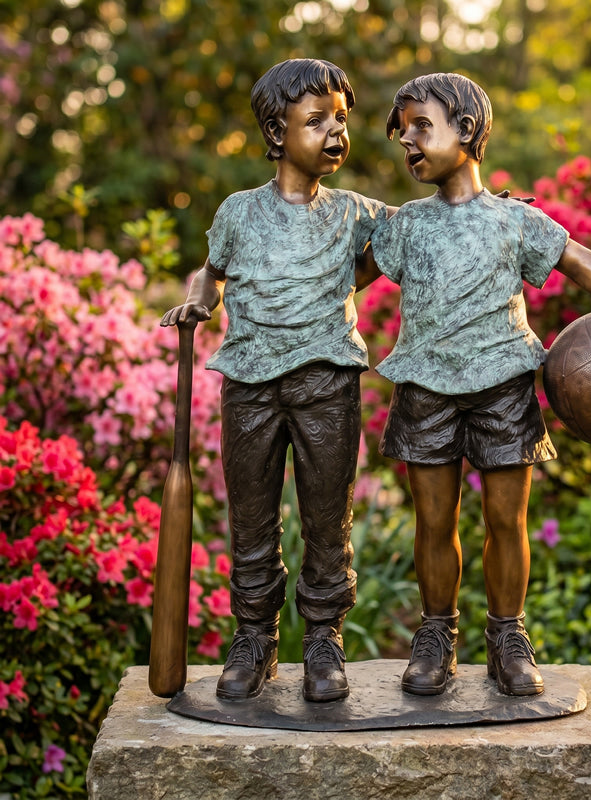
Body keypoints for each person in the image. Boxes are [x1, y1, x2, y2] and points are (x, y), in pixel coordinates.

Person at [367, 73, 591, 697]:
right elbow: (339, 279)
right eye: (401, 131)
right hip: (425, 391)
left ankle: (508, 635)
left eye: (420, 126)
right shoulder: (403, 227)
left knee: (506, 522)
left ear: (466, 130)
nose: (407, 140)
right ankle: (436, 635)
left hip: (503, 390)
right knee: (433, 523)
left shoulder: (514, 221)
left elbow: (582, 262)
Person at [161, 58, 392, 703]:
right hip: (251, 387)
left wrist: (489, 209)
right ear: (276, 129)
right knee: (252, 519)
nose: (334, 132)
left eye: (340, 119)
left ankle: (324, 638)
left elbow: (424, 229)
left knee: (327, 518)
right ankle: (254, 636)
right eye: (315, 120)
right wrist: (199, 302)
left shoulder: (355, 211)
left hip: (327, 385)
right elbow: (212, 271)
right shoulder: (238, 211)